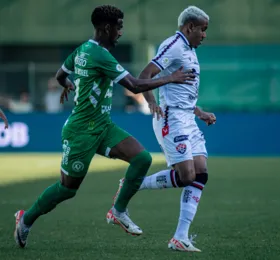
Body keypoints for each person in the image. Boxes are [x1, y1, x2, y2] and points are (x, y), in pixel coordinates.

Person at [13, 4, 195, 248]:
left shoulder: (81, 50)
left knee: (142, 158)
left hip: (103, 126)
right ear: (106, 28)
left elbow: (60, 74)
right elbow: (134, 85)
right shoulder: (100, 55)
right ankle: (26, 219)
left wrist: (67, 84)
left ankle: (118, 211)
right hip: (81, 132)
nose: (121, 32)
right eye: (118, 28)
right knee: (67, 189)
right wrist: (170, 78)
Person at [110, 6, 216, 252]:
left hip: (188, 117)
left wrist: (198, 111)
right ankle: (132, 183)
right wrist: (151, 102)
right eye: (202, 29)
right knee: (186, 176)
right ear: (190, 27)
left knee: (200, 174)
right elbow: (144, 75)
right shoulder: (174, 45)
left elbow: (182, 91)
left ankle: (180, 237)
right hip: (172, 118)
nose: (204, 35)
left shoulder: (189, 49)